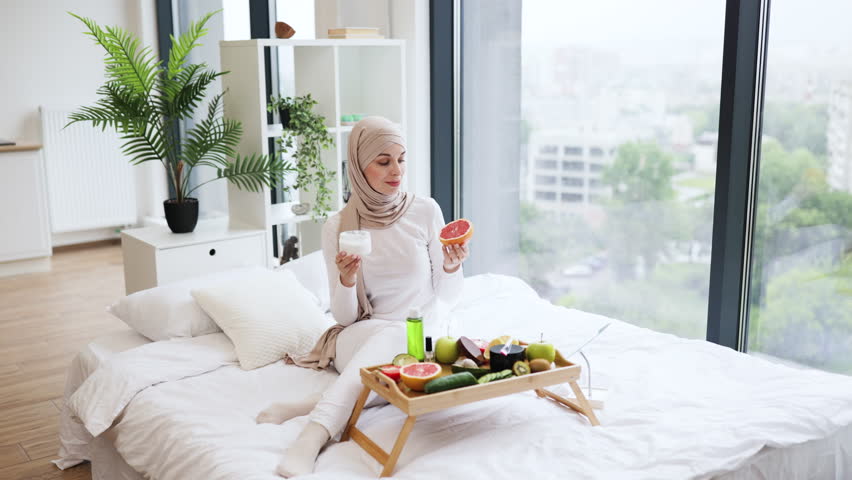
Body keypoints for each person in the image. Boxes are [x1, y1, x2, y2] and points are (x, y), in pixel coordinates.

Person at [256, 116, 469, 477]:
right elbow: (345, 318)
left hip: (420, 338)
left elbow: (448, 296)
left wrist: (452, 267)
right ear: (357, 164)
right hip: (359, 338)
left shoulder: (425, 211)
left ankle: (311, 411)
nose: (396, 171)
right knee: (393, 334)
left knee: (402, 337)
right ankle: (313, 436)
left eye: (401, 159)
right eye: (383, 161)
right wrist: (346, 279)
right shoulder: (339, 226)